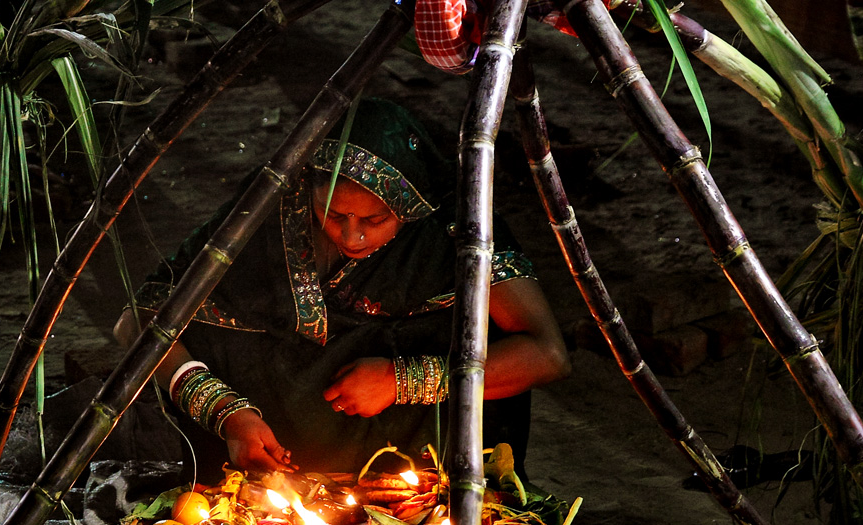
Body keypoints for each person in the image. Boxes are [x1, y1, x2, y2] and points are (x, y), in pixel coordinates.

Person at [115, 98, 570, 476]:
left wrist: (402, 380)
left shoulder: (456, 232)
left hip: (419, 463)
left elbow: (547, 355)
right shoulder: (270, 212)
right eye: (332, 214)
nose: (352, 237)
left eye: (374, 220)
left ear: (410, 205)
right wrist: (229, 415)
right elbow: (137, 322)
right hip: (282, 470)